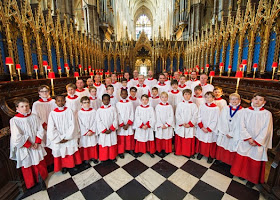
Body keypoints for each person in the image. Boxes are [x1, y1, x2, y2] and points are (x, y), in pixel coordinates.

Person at [230, 93, 273, 188]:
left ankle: (252, 179)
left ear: (264, 102)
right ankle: (242, 174)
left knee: (254, 159)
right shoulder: (245, 111)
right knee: (243, 157)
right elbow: (241, 125)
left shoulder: (267, 114)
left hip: (258, 142)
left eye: (260, 99)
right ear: (252, 100)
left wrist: (257, 141)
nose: (257, 101)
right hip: (246, 139)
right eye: (256, 99)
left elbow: (267, 129)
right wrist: (248, 138)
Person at [10, 98, 48, 190]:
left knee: (38, 161)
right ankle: (31, 183)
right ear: (17, 108)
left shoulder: (34, 116)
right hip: (25, 147)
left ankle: (41, 179)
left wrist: (37, 142)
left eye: (26, 106)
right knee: (28, 163)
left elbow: (40, 129)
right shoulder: (14, 120)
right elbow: (16, 136)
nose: (25, 108)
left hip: (36, 143)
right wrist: (29, 145)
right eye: (22, 106)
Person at [47, 95, 82, 173]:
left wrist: (67, 137)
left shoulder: (69, 111)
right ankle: (63, 166)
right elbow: (51, 127)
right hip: (59, 138)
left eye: (62, 100)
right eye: (58, 101)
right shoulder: (52, 113)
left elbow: (73, 124)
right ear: (55, 102)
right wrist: (59, 138)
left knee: (70, 150)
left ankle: (72, 165)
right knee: (61, 151)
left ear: (65, 101)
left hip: (69, 137)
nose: (60, 102)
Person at [216, 93, 243, 166]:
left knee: (232, 147)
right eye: (232, 99)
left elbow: (241, 124)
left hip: (235, 133)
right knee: (223, 145)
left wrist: (232, 133)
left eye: (236, 99)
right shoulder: (226, 108)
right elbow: (222, 120)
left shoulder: (243, 111)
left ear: (239, 100)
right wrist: (226, 131)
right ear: (229, 100)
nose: (234, 101)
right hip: (225, 132)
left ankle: (230, 162)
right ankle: (221, 159)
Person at [32, 85, 56, 166]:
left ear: (49, 92)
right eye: (42, 91)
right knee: (45, 143)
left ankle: (55, 160)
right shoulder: (36, 104)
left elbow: (56, 114)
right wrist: (44, 124)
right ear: (39, 93)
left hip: (53, 126)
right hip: (42, 127)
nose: (44, 93)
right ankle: (48, 163)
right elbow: (35, 116)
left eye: (46, 91)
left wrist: (52, 125)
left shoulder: (53, 102)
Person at [195, 91, 219, 163]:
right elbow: (198, 116)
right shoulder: (202, 106)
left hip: (210, 129)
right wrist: (202, 127)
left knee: (209, 141)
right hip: (202, 127)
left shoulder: (216, 108)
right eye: (207, 97)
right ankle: (201, 153)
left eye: (210, 97)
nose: (208, 98)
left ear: (213, 98)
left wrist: (208, 129)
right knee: (201, 140)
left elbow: (216, 119)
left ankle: (210, 156)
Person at [175, 89, 198, 158]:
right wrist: (182, 123)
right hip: (182, 125)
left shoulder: (194, 105)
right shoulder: (180, 104)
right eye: (185, 94)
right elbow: (177, 114)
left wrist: (190, 123)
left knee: (188, 139)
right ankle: (179, 151)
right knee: (180, 138)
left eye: (188, 94)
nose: (187, 96)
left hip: (189, 126)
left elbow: (195, 115)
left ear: (190, 95)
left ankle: (189, 153)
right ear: (183, 95)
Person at [95, 94, 118, 162]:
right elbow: (98, 121)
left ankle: (112, 156)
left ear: (109, 100)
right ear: (102, 100)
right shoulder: (99, 110)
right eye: (104, 99)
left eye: (107, 99)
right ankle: (103, 157)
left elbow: (115, 118)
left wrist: (111, 128)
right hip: (104, 131)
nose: (106, 101)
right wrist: (104, 130)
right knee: (104, 144)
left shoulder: (113, 108)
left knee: (112, 143)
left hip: (111, 130)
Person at [78, 96, 99, 165]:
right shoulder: (79, 113)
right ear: (81, 103)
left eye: (87, 102)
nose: (86, 104)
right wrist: (86, 132)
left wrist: (92, 130)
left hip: (92, 132)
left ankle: (94, 157)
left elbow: (95, 121)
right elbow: (79, 123)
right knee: (85, 144)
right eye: (84, 103)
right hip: (85, 133)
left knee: (93, 144)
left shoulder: (93, 111)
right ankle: (86, 158)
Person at [116, 89, 135, 158]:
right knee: (121, 138)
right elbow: (118, 114)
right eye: (122, 94)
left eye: (125, 94)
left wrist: (128, 124)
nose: (124, 95)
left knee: (129, 137)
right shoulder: (118, 104)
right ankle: (121, 151)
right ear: (120, 95)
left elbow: (132, 113)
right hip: (122, 125)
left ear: (127, 95)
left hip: (128, 124)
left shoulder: (130, 103)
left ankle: (129, 149)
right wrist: (122, 124)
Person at [155, 92, 175, 156]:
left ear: (167, 98)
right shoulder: (158, 106)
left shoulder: (169, 106)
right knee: (160, 138)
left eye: (165, 97)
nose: (164, 98)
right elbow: (156, 116)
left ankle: (166, 150)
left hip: (167, 126)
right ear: (160, 98)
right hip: (160, 125)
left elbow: (171, 116)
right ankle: (159, 150)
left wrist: (167, 124)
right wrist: (161, 125)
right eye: (162, 97)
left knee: (167, 137)